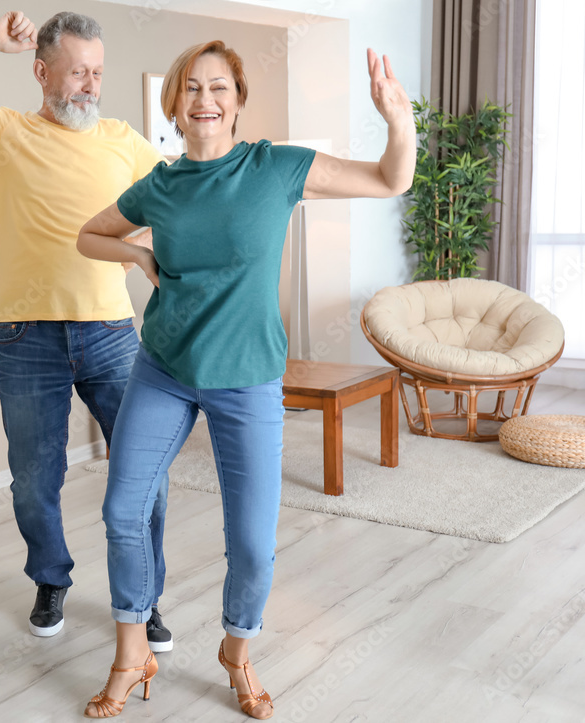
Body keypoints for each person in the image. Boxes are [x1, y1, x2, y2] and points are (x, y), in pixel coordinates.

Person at [76, 40, 416, 718]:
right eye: (192, 89)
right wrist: (137, 254)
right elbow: (88, 235)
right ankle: (130, 650)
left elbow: (388, 180)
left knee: (254, 543)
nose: (205, 99)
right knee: (121, 511)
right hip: (165, 368)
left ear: (237, 101)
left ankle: (237, 648)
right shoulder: (160, 185)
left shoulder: (275, 167)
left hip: (248, 378)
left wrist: (396, 122)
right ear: (175, 103)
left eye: (219, 88)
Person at [0, 11, 174, 649]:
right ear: (42, 71)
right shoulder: (2, 131)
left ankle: (144, 597)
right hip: (27, 339)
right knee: (33, 479)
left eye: (98, 73)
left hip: (111, 334)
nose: (90, 86)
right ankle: (51, 579)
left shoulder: (125, 141)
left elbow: (177, 203)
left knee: (144, 471)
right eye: (77, 72)